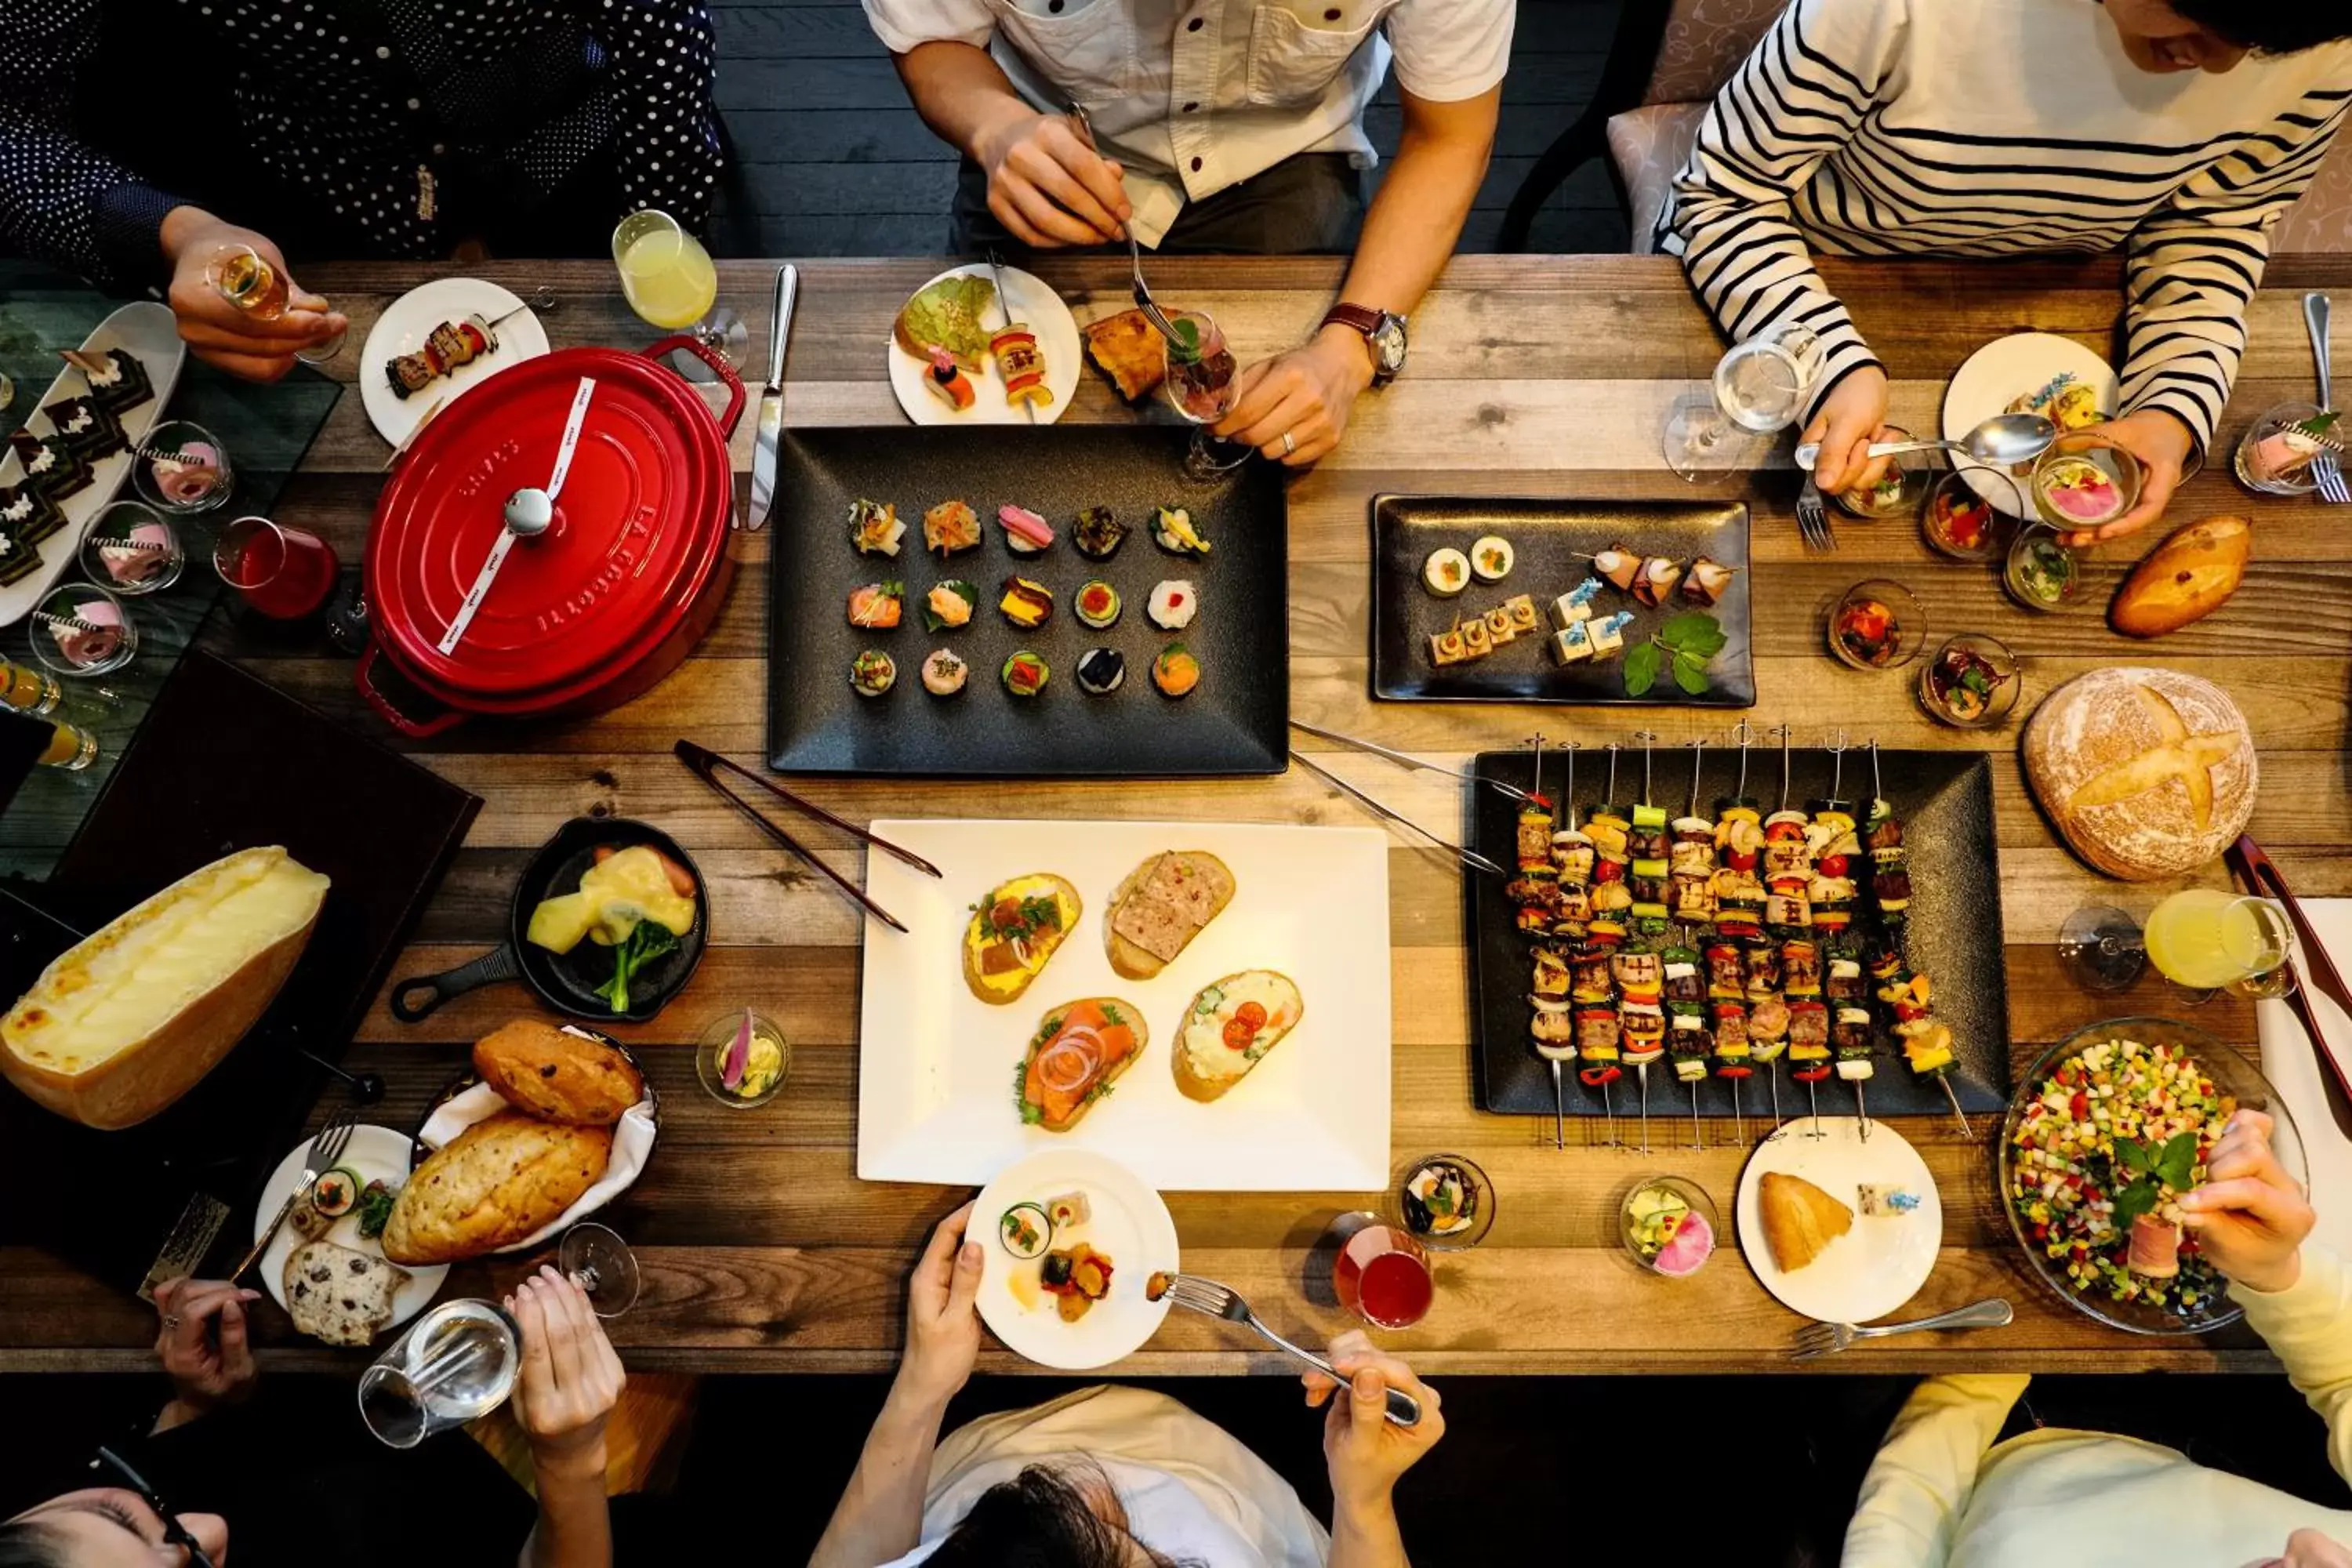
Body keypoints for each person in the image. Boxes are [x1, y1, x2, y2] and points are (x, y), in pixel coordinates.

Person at [1661, 0, 2352, 544]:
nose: (2224, 69)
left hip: (2062, 297)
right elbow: (1722, 194)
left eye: (2266, 49)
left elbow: (2214, 227)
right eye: (2200, 19)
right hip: (1814, 265)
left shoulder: (2325, 47)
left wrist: (2173, 408)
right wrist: (1824, 360)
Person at [858, 0, 1512, 466]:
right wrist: (993, 127)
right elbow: (935, 35)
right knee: (965, 444)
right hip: (1042, 134)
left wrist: (1350, 347)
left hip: (1284, 155)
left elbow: (1450, 138)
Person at [0, 0, 723, 380]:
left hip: (570, 149)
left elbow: (661, 33)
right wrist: (163, 230)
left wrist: (666, 230)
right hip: (338, 194)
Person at [1843, 1109, 2352, 1566]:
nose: (2309, 1540)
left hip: (1970, 1452)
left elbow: (1904, 1520)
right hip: (2169, 1426)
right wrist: (2278, 1272)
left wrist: (1978, 1378)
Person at [811, 1202, 1443, 1566]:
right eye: (1151, 1552)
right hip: (1249, 1461)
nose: (1097, 1483)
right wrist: (1364, 1501)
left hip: (965, 1443)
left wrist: (922, 1390)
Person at [0, 1266, 626, 1568]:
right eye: (189, 1563)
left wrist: (199, 1407)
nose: (210, 1526)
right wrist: (571, 1462)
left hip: (370, 1419)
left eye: (113, 1511)